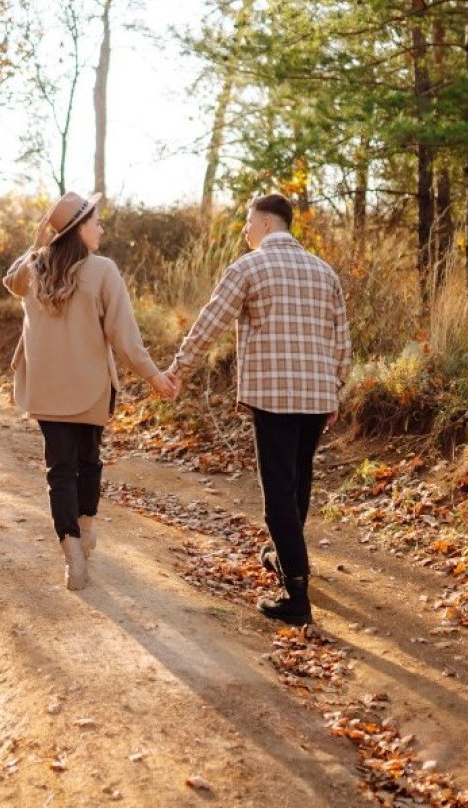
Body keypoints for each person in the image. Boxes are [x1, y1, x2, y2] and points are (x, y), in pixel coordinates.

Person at [166, 193, 351, 625]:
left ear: (266, 224)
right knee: (298, 483)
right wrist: (335, 389)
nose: (245, 231)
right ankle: (283, 557)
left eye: (248, 223)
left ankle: (296, 596)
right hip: (317, 396)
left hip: (274, 397)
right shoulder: (325, 272)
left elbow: (209, 323)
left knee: (277, 498)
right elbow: (343, 342)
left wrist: (178, 368)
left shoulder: (249, 267)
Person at [4, 192, 178, 591]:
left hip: (45, 389)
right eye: (95, 221)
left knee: (59, 471)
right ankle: (86, 526)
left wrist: (37, 243)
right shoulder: (103, 270)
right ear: (77, 229)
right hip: (91, 387)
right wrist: (154, 376)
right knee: (89, 461)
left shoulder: (33, 269)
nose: (101, 228)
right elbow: (125, 338)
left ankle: (72, 555)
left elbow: (10, 282)